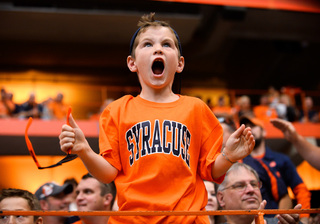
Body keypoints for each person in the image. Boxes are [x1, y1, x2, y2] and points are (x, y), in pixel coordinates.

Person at [59, 12, 255, 223]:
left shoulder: (196, 108)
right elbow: (108, 173)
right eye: (147, 44)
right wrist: (84, 151)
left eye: (167, 44)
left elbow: (210, 171)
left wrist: (229, 156)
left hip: (187, 219)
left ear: (180, 64)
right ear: (132, 63)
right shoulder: (116, 110)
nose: (158, 48)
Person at [240, 115, 311, 223]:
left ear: (264, 132)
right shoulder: (240, 161)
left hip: (277, 219)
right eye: (246, 127)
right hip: (249, 219)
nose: (249, 130)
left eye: (253, 126)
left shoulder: (281, 159)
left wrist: (304, 216)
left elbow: (300, 188)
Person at [216, 162, 302, 224]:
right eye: (240, 186)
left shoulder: (285, 222)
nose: (251, 190)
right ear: (221, 198)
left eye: (254, 184)